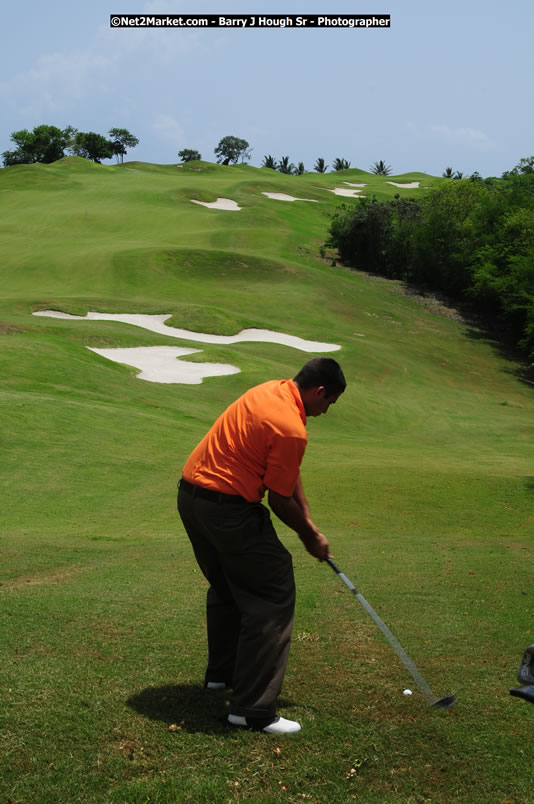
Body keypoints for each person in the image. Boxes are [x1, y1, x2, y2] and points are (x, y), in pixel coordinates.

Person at [177, 357, 346, 734]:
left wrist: (312, 525)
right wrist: (308, 537)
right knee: (272, 589)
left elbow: (285, 475)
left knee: (227, 586)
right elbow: (279, 500)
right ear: (319, 392)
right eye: (329, 403)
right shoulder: (290, 427)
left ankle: (221, 677)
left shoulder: (269, 392)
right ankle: (252, 711)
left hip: (191, 499)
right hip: (228, 510)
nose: (326, 411)